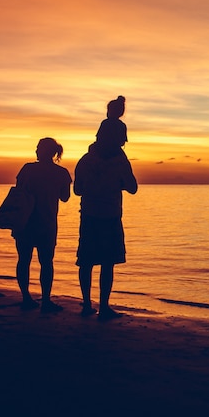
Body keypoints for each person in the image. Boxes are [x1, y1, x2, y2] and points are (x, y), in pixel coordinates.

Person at [74, 129, 138, 321]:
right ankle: (103, 306)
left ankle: (87, 304)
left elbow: (77, 190)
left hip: (89, 215)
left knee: (86, 262)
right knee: (107, 263)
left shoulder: (85, 160)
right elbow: (133, 188)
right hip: (110, 215)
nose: (122, 146)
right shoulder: (120, 162)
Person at [13, 137, 72, 313]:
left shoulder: (27, 169)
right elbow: (65, 197)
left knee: (24, 260)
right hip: (46, 223)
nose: (36, 150)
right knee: (46, 262)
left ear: (46, 151)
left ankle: (26, 298)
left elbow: (18, 190)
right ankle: (45, 300)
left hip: (25, 221)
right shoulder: (61, 173)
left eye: (39, 148)